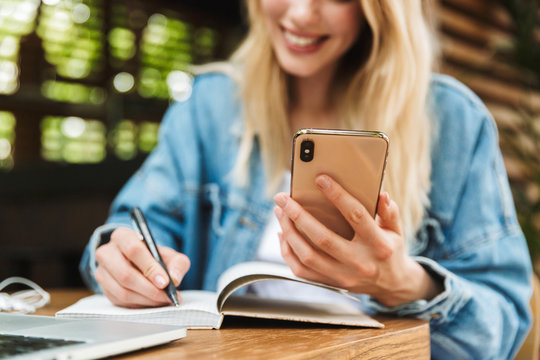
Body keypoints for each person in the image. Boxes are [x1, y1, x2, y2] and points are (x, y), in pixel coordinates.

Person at [79, 0, 532, 358]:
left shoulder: (451, 120)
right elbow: (135, 229)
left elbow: (503, 328)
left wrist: (404, 283)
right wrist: (122, 260)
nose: (299, 12)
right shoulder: (208, 107)